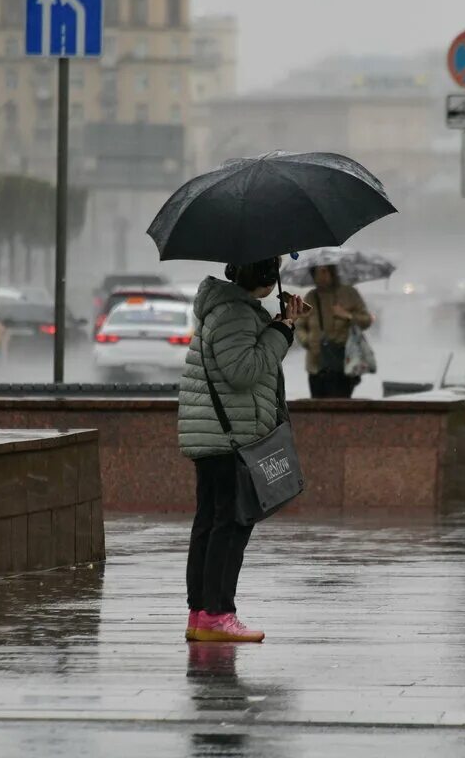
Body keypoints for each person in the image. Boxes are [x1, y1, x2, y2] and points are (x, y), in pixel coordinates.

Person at [177, 256, 307, 642]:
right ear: (266, 277)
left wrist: (277, 322)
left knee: (212, 524)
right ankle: (217, 614)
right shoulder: (234, 312)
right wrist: (282, 329)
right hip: (230, 436)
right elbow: (244, 371)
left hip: (218, 435)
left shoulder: (229, 308)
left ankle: (202, 615)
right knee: (230, 525)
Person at [294, 265, 373, 399]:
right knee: (318, 409)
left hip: (342, 363)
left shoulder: (349, 293)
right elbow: (299, 325)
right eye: (317, 273)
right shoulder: (311, 297)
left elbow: (366, 320)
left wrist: (347, 315)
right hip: (316, 365)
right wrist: (307, 341)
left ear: (332, 271)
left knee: (340, 407)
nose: (321, 277)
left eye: (324, 271)